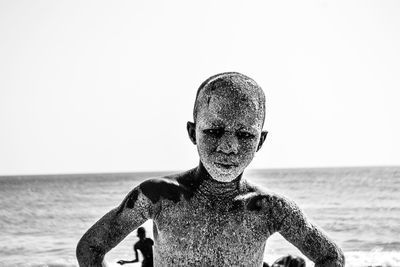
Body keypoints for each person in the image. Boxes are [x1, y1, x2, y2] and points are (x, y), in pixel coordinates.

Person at [76, 72, 345, 266]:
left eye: (244, 135)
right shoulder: (159, 196)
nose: (229, 146)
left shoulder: (269, 208)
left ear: (260, 141)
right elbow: (90, 248)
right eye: (214, 131)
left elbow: (331, 257)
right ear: (193, 133)